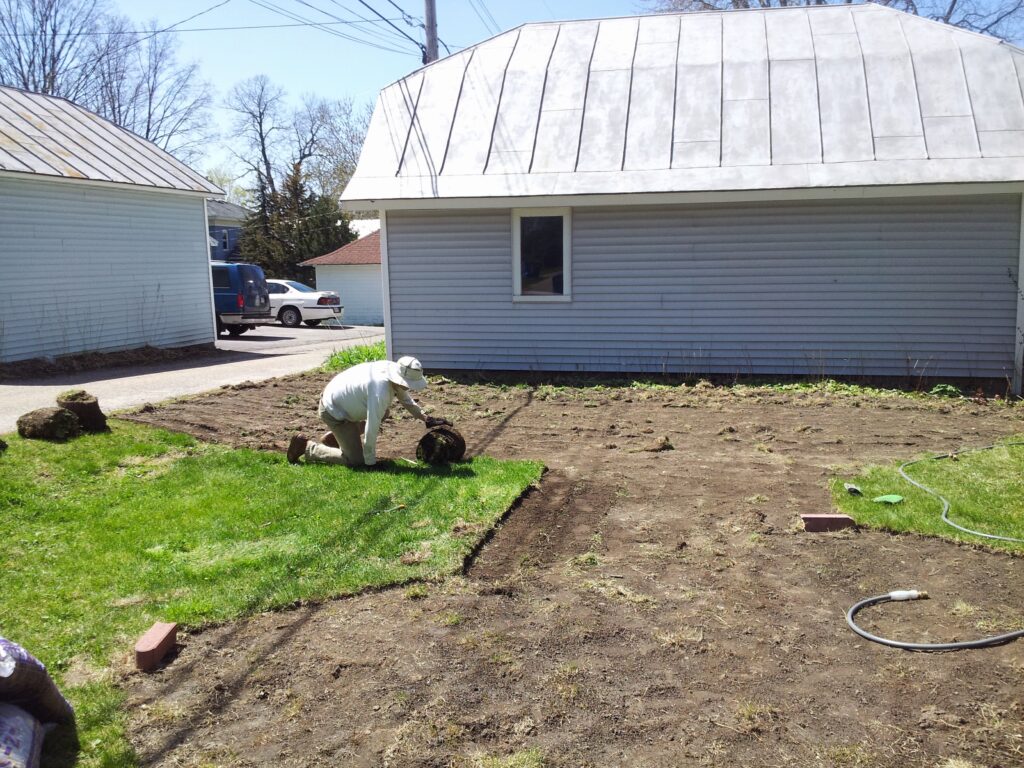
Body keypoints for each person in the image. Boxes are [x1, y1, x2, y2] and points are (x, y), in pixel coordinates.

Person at [286, 355, 446, 467]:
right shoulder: (380, 391)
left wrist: (425, 418)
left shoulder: (392, 370)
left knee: (384, 412)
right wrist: (370, 462)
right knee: (355, 461)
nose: (409, 386)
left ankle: (339, 438)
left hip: (343, 401)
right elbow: (372, 427)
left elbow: (405, 398)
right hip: (333, 411)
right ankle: (306, 447)